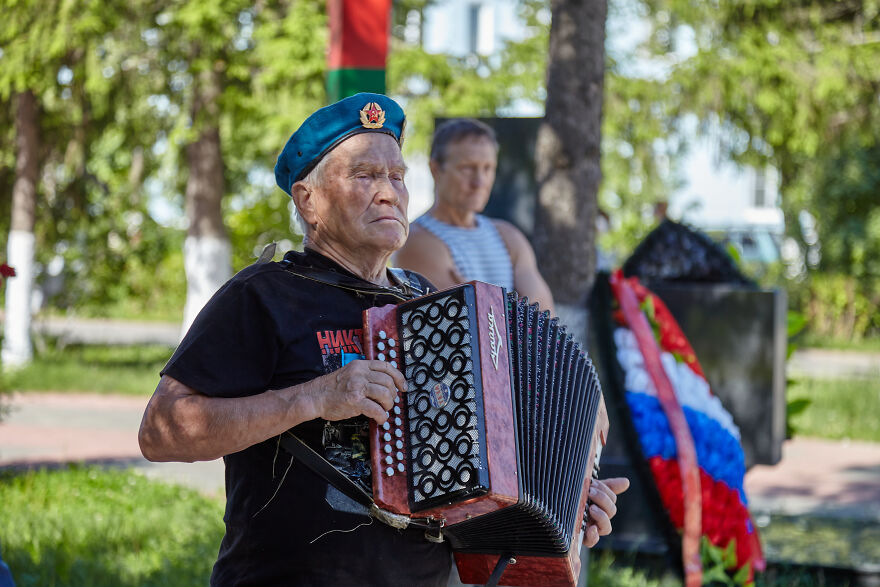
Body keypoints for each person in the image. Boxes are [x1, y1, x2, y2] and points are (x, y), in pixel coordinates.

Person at [138, 94, 627, 586]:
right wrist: (313, 398)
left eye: (397, 177)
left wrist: (567, 501)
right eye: (364, 176)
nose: (389, 193)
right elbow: (160, 431)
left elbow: (481, 465)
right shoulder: (263, 295)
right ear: (308, 200)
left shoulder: (428, 302)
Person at [394, 118, 555, 313]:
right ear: (435, 169)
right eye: (467, 168)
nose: (479, 182)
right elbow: (462, 319)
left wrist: (481, 300)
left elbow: (543, 315)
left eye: (488, 168)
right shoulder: (416, 240)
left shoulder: (508, 236)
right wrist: (514, 308)